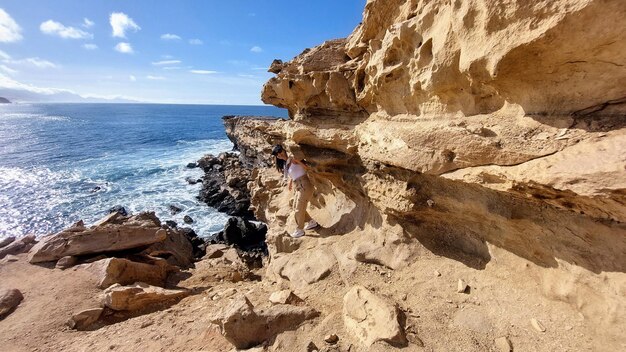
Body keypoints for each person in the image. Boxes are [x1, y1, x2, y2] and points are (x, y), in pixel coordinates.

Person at [271, 144, 318, 238]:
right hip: (298, 186)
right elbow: (294, 173)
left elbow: (307, 168)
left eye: (280, 151)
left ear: (284, 150)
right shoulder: (286, 163)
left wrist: (297, 161)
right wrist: (291, 183)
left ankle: (299, 229)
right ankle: (311, 222)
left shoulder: (292, 159)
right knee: (295, 205)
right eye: (277, 154)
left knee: (298, 208)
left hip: (305, 185)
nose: (279, 154)